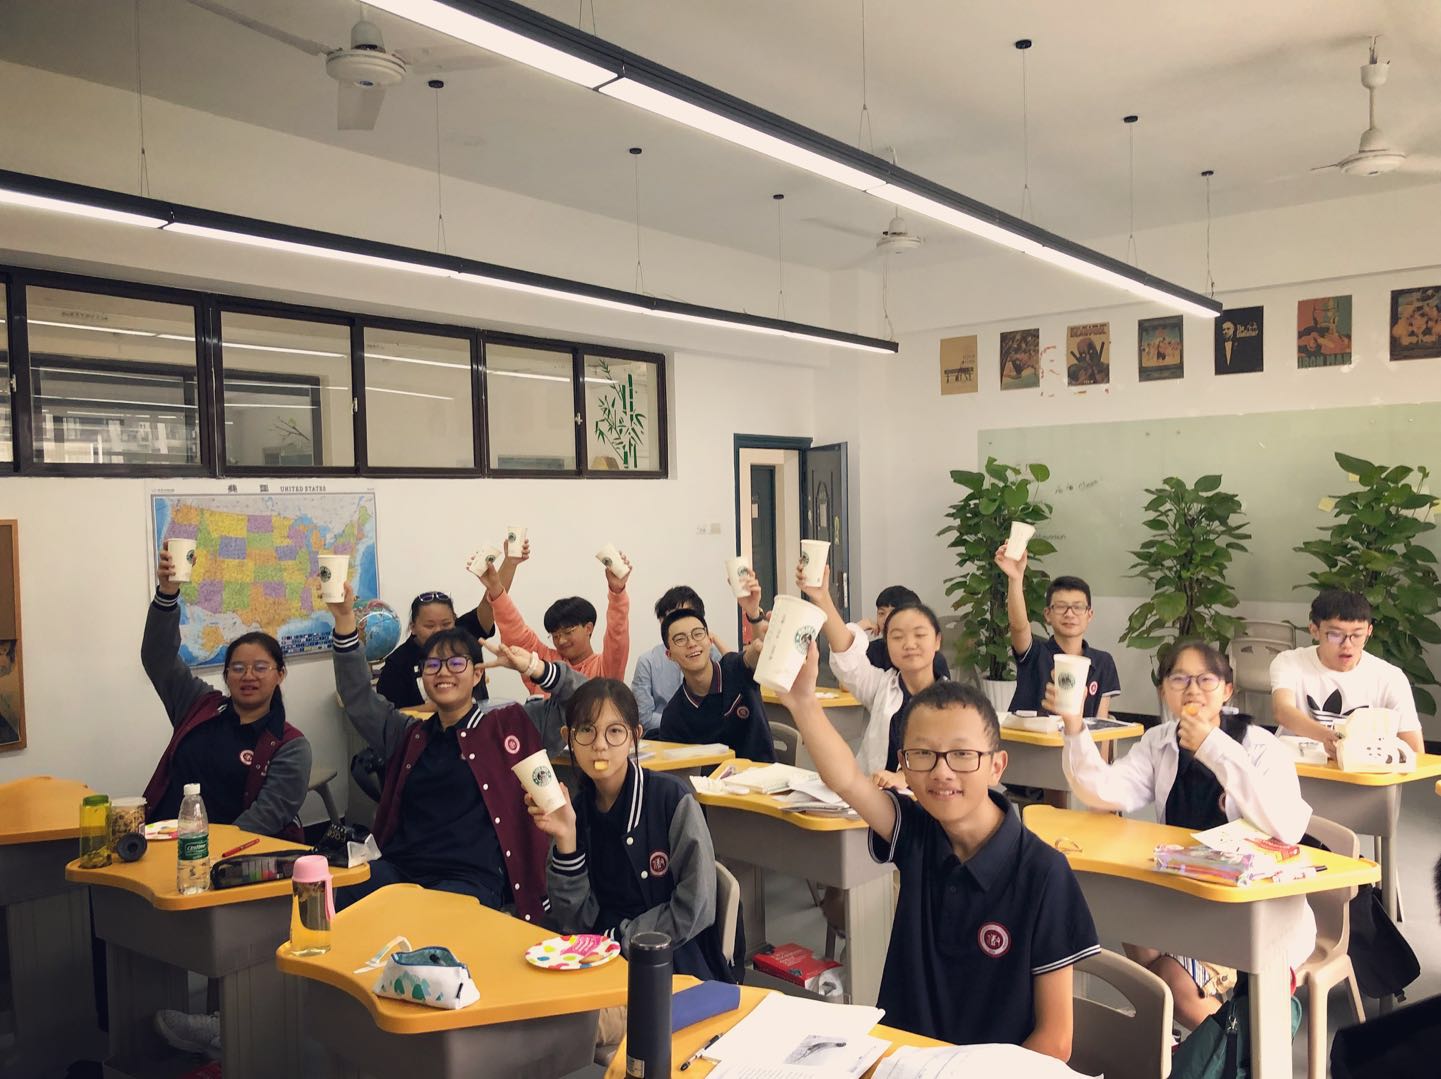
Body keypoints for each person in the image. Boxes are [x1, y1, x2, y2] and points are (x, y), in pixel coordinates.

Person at [777, 645, 1098, 1058]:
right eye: (923, 754)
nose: (942, 771)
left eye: (962, 754)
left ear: (997, 766)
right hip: (901, 1061)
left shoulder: (1042, 872)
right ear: (903, 764)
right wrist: (803, 702)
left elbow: (1054, 1042)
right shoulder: (918, 833)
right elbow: (848, 782)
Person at [1061, 639, 1314, 1031]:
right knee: (1129, 919)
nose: (1192, 690)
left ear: (1227, 690)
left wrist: (1214, 748)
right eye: (1179, 679)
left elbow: (1287, 827)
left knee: (1168, 984)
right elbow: (1105, 791)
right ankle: (1197, 1031)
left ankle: (1243, 1047)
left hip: (1249, 910)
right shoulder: (1160, 742)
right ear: (1164, 691)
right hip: (1185, 896)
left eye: (1205, 680)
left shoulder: (1262, 748)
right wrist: (1075, 727)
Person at [326, 582, 583, 919]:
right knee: (334, 896)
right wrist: (344, 619)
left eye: (456, 663)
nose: (443, 672)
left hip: (470, 879)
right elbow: (358, 700)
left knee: (429, 921)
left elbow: (587, 704)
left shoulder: (513, 725)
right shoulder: (409, 734)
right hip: (401, 869)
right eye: (433, 665)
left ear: (477, 675)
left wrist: (537, 668)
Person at [532, 679, 734, 1023]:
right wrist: (566, 837)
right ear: (568, 738)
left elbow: (696, 906)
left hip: (668, 964)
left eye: (614, 732)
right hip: (598, 962)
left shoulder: (670, 799)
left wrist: (620, 940)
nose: (600, 745)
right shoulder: (576, 810)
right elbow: (573, 921)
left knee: (570, 1025)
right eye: (586, 731)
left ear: (634, 736)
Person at [141, 547, 311, 840]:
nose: (248, 676)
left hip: (228, 854)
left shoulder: (290, 746)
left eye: (260, 668)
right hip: (159, 840)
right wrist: (167, 593)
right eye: (238, 668)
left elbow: (265, 818)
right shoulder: (198, 705)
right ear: (226, 675)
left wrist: (204, 851)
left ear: (280, 674)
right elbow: (158, 658)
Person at [799, 564, 946, 785]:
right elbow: (848, 659)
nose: (909, 644)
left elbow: (949, 758)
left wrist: (903, 777)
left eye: (919, 635)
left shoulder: (955, 702)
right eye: (897, 637)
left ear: (937, 641)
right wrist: (822, 598)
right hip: (871, 795)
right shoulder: (883, 686)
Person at [1270, 589, 1424, 758]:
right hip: (1295, 765)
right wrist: (1328, 736)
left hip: (1361, 769)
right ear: (1314, 630)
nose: (1347, 645)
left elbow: (1415, 750)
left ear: (1369, 631)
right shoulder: (1290, 661)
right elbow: (1282, 711)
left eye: (1357, 635)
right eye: (1335, 635)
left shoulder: (1390, 677)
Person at [375, 543, 527, 707]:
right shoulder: (397, 663)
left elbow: (492, 601)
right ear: (413, 627)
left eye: (446, 624)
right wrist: (435, 708)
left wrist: (510, 563)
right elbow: (388, 715)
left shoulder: (465, 634)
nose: (439, 632)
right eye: (430, 626)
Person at [486, 541, 631, 695]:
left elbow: (617, 636)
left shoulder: (605, 669)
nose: (561, 641)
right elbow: (516, 633)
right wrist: (495, 589)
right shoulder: (543, 661)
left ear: (588, 628)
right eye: (555, 636)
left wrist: (617, 592)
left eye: (568, 632)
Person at [995, 547, 1119, 718]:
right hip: (1028, 735)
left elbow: (1101, 723)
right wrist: (1015, 579)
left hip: (1078, 736)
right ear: (1047, 614)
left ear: (1089, 615)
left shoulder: (1103, 662)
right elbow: (1019, 626)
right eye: (1061, 607)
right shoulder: (1035, 653)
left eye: (1078, 607)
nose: (1069, 614)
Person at [657, 582, 774, 762]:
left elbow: (757, 652)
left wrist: (753, 615)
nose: (691, 643)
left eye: (698, 634)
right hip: (711, 781)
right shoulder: (673, 715)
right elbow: (676, 772)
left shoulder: (734, 668)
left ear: (709, 639)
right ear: (669, 654)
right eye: (680, 639)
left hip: (763, 776)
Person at [631, 585, 724, 732]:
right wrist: (688, 724)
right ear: (662, 622)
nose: (681, 623)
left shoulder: (713, 654)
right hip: (665, 737)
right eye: (673, 617)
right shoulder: (647, 662)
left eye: (686, 615)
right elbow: (644, 717)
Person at [861, 585, 951, 681]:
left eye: (893, 613)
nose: (886, 620)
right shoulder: (872, 650)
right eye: (881, 613)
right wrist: (858, 627)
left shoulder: (932, 658)